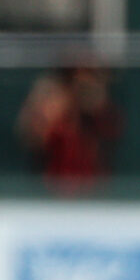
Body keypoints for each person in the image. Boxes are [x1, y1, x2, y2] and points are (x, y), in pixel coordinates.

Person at [17, 55, 122, 189]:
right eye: (76, 74)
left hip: (93, 191)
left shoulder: (99, 111)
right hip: (52, 189)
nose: (83, 82)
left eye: (90, 75)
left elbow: (111, 131)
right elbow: (32, 135)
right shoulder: (51, 99)